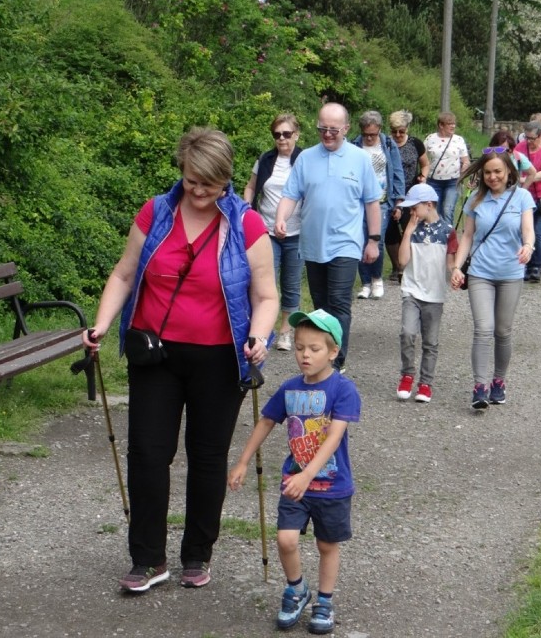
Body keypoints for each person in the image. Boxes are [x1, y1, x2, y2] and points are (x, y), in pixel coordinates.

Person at [82, 128, 279, 593]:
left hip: (219, 358)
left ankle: (197, 554)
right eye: (191, 180)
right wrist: (102, 324)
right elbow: (124, 273)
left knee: (207, 458)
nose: (198, 190)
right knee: (148, 454)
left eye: (208, 183)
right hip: (156, 353)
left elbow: (267, 295)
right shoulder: (156, 212)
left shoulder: (247, 225)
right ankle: (148, 559)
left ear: (226, 179)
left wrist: (258, 336)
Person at [228, 309, 360, 635]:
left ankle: (325, 601)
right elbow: (267, 421)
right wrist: (243, 460)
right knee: (286, 540)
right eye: (300, 347)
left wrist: (308, 475)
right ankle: (297, 590)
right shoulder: (289, 389)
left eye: (314, 349)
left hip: (331, 485)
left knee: (327, 546)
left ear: (333, 352)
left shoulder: (343, 390)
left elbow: (333, 438)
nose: (304, 355)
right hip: (294, 483)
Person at [276, 102, 383, 374]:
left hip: (345, 243)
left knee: (338, 301)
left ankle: (337, 360)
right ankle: (320, 355)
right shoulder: (306, 158)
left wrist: (373, 239)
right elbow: (291, 194)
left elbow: (372, 202)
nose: (327, 134)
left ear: (346, 129)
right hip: (312, 245)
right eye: (322, 128)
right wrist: (281, 218)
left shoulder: (359, 159)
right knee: (321, 305)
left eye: (333, 129)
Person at [450, 149, 536, 410]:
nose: (492, 176)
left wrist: (528, 247)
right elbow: (467, 236)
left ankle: (499, 380)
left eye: (498, 171)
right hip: (481, 273)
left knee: (502, 331)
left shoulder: (522, 197)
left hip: (510, 273)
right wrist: (456, 267)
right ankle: (479, 387)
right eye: (487, 172)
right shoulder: (475, 200)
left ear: (509, 171)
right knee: (483, 329)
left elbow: (528, 232)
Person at [243, 113, 304, 351]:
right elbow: (250, 186)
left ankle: (286, 332)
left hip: (297, 231)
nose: (282, 139)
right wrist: (247, 209)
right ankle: (261, 331)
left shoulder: (305, 159)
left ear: (296, 135)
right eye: (277, 134)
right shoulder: (265, 159)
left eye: (287, 134)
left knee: (291, 283)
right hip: (265, 231)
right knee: (264, 283)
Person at [394, 183, 458, 404]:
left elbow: (451, 263)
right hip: (411, 291)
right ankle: (407, 374)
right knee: (407, 333)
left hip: (434, 295)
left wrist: (456, 272)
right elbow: (402, 261)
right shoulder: (412, 230)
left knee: (430, 341)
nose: (412, 213)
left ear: (428, 205)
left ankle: (426, 383)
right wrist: (408, 232)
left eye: (414, 208)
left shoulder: (448, 231)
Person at [351, 110, 405, 300]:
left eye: (373, 134)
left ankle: (376, 278)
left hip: (382, 201)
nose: (369, 138)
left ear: (380, 129)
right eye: (366, 134)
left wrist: (399, 202)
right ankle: (365, 283)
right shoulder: (354, 145)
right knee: (360, 240)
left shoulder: (388, 144)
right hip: (358, 201)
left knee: (377, 240)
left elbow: (397, 172)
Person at [385, 110, 429, 282]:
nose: (397, 134)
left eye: (401, 131)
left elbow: (425, 164)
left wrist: (423, 178)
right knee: (390, 232)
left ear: (407, 129)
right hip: (389, 193)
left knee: (409, 229)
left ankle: (409, 266)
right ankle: (397, 266)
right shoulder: (386, 144)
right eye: (394, 131)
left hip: (411, 193)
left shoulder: (415, 143)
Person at [514, 120, 541, 283]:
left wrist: (524, 178)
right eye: (527, 137)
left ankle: (536, 267)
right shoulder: (521, 147)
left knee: (538, 232)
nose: (529, 141)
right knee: (524, 231)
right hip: (526, 197)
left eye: (532, 138)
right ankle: (524, 264)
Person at [424, 111, 470, 226]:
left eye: (454, 123)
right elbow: (422, 158)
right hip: (433, 181)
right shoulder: (430, 138)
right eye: (449, 123)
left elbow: (466, 160)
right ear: (441, 125)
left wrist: (464, 168)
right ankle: (436, 238)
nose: (453, 126)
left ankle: (448, 239)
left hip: (453, 181)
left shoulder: (459, 140)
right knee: (435, 211)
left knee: (447, 210)